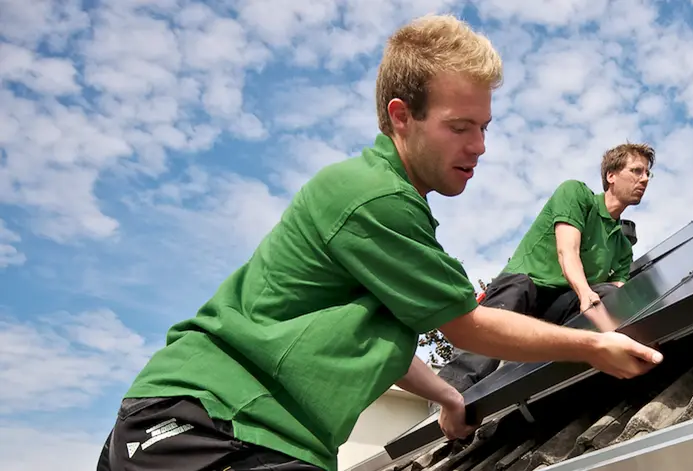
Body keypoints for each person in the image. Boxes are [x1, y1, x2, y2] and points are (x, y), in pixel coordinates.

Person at [95, 14, 662, 471]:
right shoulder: (373, 197)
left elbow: (385, 346)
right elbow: (466, 325)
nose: (480, 146)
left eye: (485, 127)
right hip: (206, 422)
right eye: (460, 126)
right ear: (402, 117)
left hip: (240, 433)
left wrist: (445, 395)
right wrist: (593, 347)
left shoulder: (391, 210)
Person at [436, 142, 655, 393]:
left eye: (648, 173)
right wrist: (586, 295)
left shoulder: (622, 247)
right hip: (522, 292)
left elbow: (618, 289)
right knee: (518, 289)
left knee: (611, 296)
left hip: (558, 307)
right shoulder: (576, 194)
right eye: (637, 171)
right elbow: (567, 251)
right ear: (611, 175)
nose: (645, 179)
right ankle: (451, 389)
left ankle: (583, 375)